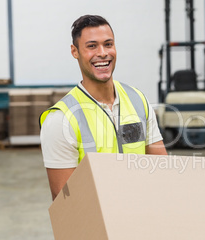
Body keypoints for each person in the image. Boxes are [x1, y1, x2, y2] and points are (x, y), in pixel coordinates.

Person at [40, 15, 167, 200]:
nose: (102, 53)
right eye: (92, 46)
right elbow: (65, 201)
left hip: (141, 216)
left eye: (108, 44)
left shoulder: (138, 100)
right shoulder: (61, 119)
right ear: (75, 52)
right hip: (97, 224)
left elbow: (162, 170)